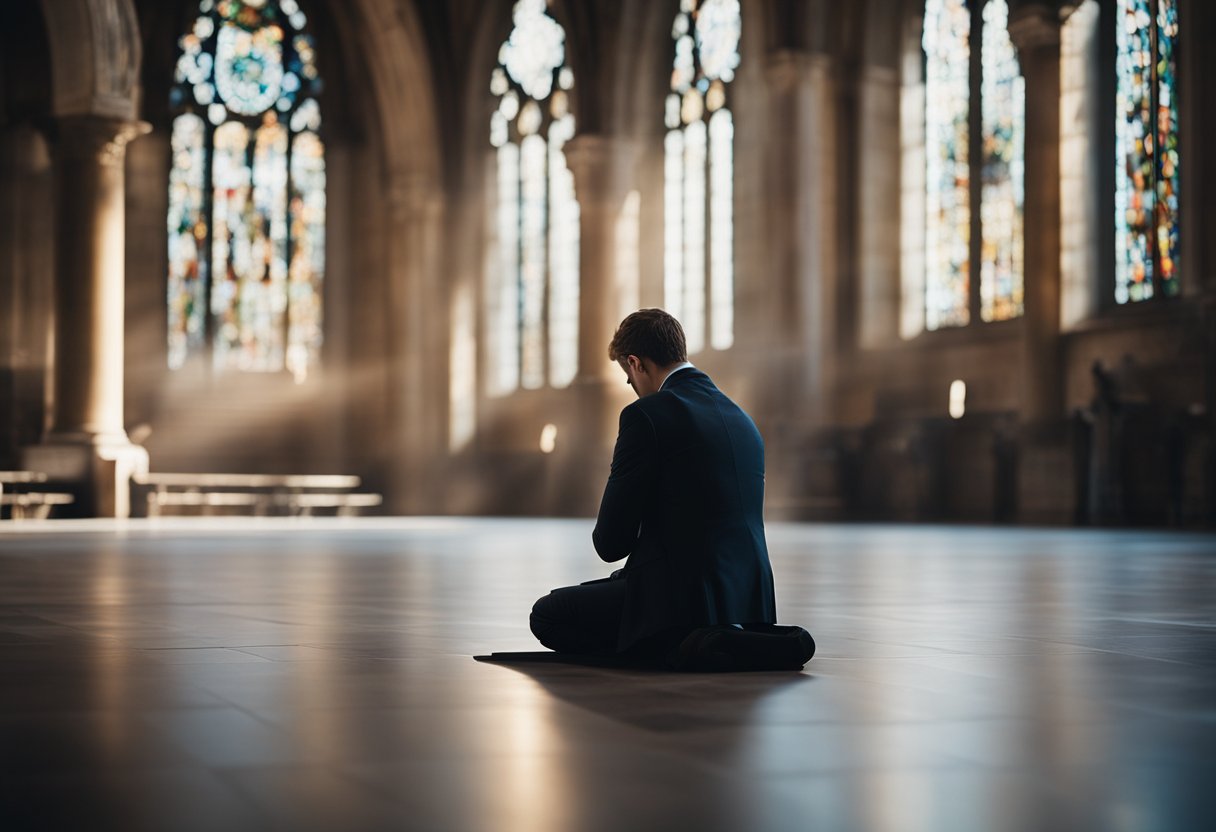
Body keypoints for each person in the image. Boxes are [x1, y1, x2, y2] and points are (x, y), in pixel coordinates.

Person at [529, 309, 814, 671]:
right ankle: (725, 638)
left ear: (635, 363)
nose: (633, 390)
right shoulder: (742, 418)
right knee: (607, 590)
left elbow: (610, 543)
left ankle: (678, 646)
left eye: (629, 380)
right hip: (749, 600)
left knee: (548, 614)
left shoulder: (645, 415)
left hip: (677, 599)